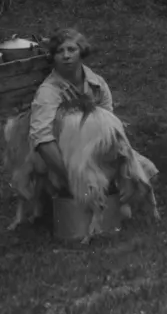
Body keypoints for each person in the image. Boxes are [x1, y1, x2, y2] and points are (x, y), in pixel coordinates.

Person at [28, 27, 114, 200]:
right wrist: (71, 177)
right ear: (53, 57)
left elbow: (110, 125)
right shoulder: (48, 92)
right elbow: (42, 139)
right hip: (63, 155)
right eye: (60, 51)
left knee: (141, 171)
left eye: (71, 49)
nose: (66, 56)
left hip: (93, 150)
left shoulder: (97, 84)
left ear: (81, 51)